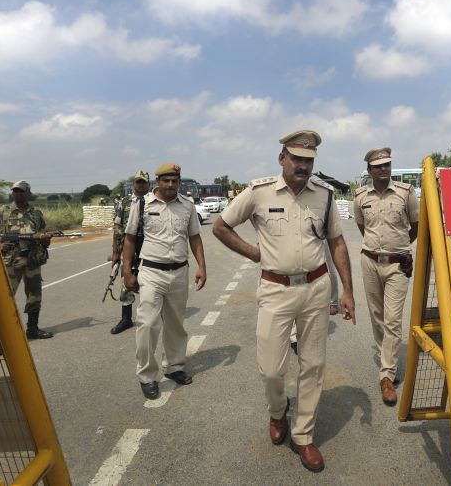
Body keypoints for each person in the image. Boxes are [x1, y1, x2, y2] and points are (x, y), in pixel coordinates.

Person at [213, 129, 355, 473]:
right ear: (282, 159)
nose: (303, 166)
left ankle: (303, 435)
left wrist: (347, 291)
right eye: (297, 159)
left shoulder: (324, 195)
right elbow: (221, 226)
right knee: (272, 369)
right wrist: (254, 253)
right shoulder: (259, 192)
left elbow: (337, 242)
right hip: (275, 290)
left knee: (313, 365)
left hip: (316, 289)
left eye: (309, 160)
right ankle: (278, 412)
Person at [123, 163, 207, 400]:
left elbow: (195, 237)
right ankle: (147, 376)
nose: (171, 185)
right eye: (166, 180)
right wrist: (127, 272)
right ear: (157, 182)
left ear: (179, 182)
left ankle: (174, 367)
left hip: (179, 272)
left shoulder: (187, 206)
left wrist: (202, 266)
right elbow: (129, 239)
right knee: (148, 324)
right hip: (150, 272)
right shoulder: (141, 205)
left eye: (175, 180)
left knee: (175, 324)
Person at [353, 147, 418, 406]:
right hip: (369, 262)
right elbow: (362, 226)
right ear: (369, 170)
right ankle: (387, 361)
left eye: (387, 164)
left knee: (392, 319)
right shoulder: (360, 197)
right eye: (378, 166)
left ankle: (387, 376)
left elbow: (415, 227)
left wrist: (396, 249)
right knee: (377, 317)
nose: (383, 169)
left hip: (397, 266)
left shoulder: (406, 193)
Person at [0, 180, 53, 356]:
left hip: (32, 261)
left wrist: (45, 239)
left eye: (21, 191)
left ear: (28, 194)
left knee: (34, 297)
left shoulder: (37, 214)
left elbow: (44, 238)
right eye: (15, 191)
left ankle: (32, 329)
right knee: (5, 301)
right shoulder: (1, 212)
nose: (18, 194)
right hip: (11, 263)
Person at [109, 170, 150, 335]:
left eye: (143, 182)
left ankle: (153, 315)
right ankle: (126, 318)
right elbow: (117, 227)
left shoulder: (153, 201)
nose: (140, 184)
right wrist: (115, 251)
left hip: (148, 246)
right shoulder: (125, 202)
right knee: (126, 279)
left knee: (151, 278)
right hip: (128, 245)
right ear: (134, 184)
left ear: (148, 184)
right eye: (138, 182)